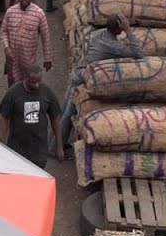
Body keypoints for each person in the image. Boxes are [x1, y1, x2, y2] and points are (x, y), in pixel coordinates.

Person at [56, 15, 144, 157]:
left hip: (77, 74)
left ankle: (55, 143)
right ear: (118, 29)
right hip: (80, 80)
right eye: (121, 26)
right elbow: (139, 54)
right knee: (68, 114)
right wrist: (128, 30)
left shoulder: (102, 36)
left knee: (63, 112)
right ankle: (54, 148)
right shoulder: (112, 45)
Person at [0, 64, 64, 167]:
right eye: (33, 82)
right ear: (25, 78)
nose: (37, 85)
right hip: (17, 147)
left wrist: (59, 146)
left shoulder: (47, 93)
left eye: (39, 81)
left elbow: (55, 120)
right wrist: (1, 145)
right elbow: (4, 119)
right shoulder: (13, 93)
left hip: (39, 148)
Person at [2, 0, 52, 84]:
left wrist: (48, 58)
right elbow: (3, 31)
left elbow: (45, 37)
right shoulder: (10, 12)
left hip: (28, 59)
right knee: (12, 82)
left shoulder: (39, 14)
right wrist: (6, 47)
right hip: (12, 57)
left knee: (29, 83)